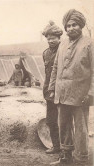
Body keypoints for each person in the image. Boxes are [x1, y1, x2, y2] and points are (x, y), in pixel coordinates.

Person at [49, 9, 94, 165]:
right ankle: (66, 156)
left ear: (80, 25)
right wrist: (52, 88)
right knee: (64, 126)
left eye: (74, 25)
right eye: (68, 26)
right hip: (62, 92)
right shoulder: (63, 44)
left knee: (81, 128)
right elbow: (55, 67)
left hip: (80, 94)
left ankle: (82, 159)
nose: (71, 28)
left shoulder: (89, 43)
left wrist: (91, 92)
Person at [42, 21, 63, 154]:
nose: (51, 41)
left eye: (53, 38)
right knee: (50, 120)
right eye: (48, 39)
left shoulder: (64, 50)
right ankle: (56, 146)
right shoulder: (45, 53)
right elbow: (47, 73)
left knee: (65, 121)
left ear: (59, 38)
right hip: (49, 92)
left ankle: (69, 147)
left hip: (63, 90)